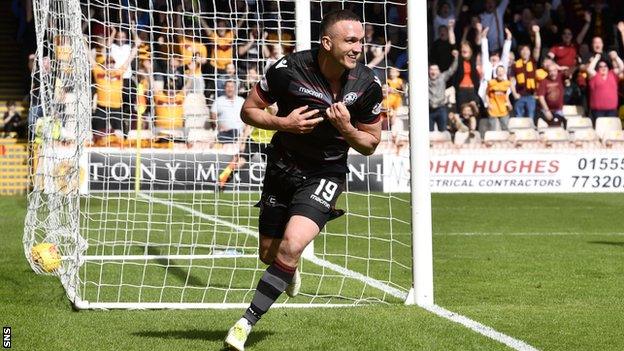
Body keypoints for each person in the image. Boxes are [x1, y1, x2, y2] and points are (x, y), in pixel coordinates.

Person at [224, 9, 383, 350]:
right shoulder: (287, 70)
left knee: (293, 244)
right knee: (271, 253)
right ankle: (288, 268)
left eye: (360, 40)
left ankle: (244, 323)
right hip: (282, 167)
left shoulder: (368, 84)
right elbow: (248, 110)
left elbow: (370, 143)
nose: (358, 47)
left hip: (326, 173)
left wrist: (346, 128)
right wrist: (284, 124)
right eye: (350, 40)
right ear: (327, 42)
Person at [511, 25, 542, 118]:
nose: (524, 52)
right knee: (519, 118)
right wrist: (514, 94)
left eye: (527, 50)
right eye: (522, 50)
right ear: (519, 52)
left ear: (529, 51)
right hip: (519, 95)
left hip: (531, 96)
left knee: (531, 118)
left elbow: (537, 47)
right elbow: (511, 80)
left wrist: (537, 32)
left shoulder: (533, 61)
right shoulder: (515, 65)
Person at [587, 53, 624, 125]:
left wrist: (616, 57)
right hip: (598, 111)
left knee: (611, 132)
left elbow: (622, 67)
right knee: (600, 132)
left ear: (608, 67)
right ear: (598, 68)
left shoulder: (612, 74)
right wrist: (596, 58)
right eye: (600, 67)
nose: (603, 68)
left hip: (612, 111)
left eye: (605, 66)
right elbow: (589, 69)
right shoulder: (595, 76)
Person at [429, 50, 459, 131]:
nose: (433, 72)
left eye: (435, 70)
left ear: (439, 71)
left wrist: (456, 58)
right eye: (431, 69)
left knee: (443, 131)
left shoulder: (442, 78)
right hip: (429, 109)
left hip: (440, 108)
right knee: (429, 133)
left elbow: (452, 70)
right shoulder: (425, 80)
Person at [486, 65, 512, 131]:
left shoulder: (507, 83)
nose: (500, 73)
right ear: (496, 73)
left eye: (502, 71)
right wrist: (488, 104)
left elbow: (506, 95)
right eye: (498, 71)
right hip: (493, 110)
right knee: (493, 130)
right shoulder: (491, 83)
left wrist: (509, 104)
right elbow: (486, 94)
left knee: (505, 129)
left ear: (504, 73)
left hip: (503, 109)